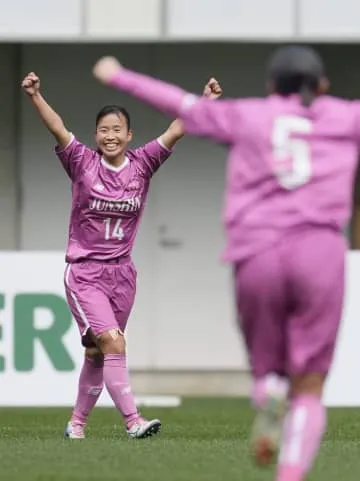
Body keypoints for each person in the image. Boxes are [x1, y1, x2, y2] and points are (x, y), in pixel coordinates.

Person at [93, 45, 360, 480]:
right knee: (309, 386)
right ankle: (289, 473)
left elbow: (178, 103)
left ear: (271, 85)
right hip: (320, 253)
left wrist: (118, 76)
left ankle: (268, 389)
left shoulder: (247, 114)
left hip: (258, 254)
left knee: (268, 369)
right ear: (323, 86)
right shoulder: (347, 117)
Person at [21, 71, 222, 440]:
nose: (109, 135)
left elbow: (176, 130)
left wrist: (205, 102)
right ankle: (134, 421)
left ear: (128, 135)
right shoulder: (82, 162)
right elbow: (58, 128)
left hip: (123, 275)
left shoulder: (142, 164)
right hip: (85, 273)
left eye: (117, 130)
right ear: (96, 135)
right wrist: (35, 95)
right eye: (103, 130)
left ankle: (76, 424)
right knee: (113, 342)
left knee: (99, 353)